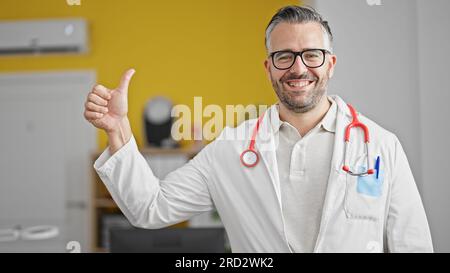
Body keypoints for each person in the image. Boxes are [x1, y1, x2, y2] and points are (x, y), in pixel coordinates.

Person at [84, 5, 433, 252]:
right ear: (268, 68)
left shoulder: (381, 146)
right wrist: (118, 131)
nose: (298, 68)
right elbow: (150, 207)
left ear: (330, 64)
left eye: (312, 55)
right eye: (284, 56)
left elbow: (411, 244)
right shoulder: (230, 149)